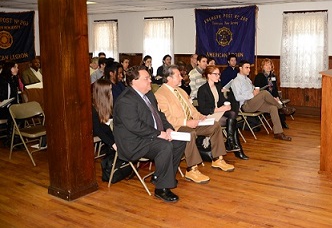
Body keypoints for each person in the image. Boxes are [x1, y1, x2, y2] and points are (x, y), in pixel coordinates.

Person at [113, 66, 186, 202]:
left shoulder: (149, 94)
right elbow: (135, 126)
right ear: (134, 82)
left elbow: (160, 115)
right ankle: (161, 189)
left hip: (149, 136)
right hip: (134, 142)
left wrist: (168, 128)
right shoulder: (126, 100)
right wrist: (159, 133)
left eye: (149, 77)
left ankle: (161, 176)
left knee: (179, 141)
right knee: (164, 146)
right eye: (146, 78)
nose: (150, 80)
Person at [155, 65, 235, 184]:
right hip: (177, 127)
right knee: (189, 133)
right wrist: (186, 122)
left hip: (191, 122)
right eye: (178, 75)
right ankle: (192, 169)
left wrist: (201, 117)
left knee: (215, 125)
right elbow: (166, 119)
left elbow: (192, 109)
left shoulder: (181, 91)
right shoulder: (160, 94)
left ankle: (217, 159)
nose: (181, 78)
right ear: (169, 78)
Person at [197, 65, 249, 160]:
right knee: (233, 123)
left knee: (232, 115)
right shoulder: (202, 89)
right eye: (215, 74)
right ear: (209, 75)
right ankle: (235, 148)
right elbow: (203, 109)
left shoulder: (218, 86)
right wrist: (219, 109)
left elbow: (220, 102)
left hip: (218, 112)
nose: (218, 76)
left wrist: (226, 104)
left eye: (218, 74)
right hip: (209, 115)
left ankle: (230, 141)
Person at [232, 60, 292, 141]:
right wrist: (253, 94)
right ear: (240, 68)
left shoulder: (247, 80)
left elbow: (255, 90)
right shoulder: (236, 81)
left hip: (254, 102)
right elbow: (237, 97)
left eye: (249, 67)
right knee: (264, 93)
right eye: (246, 68)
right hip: (245, 105)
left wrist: (255, 92)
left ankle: (278, 133)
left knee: (273, 108)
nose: (249, 69)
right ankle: (281, 108)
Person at [254, 58, 290, 129]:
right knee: (277, 104)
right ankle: (282, 112)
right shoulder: (259, 76)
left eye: (270, 65)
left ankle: (282, 121)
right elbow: (258, 90)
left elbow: (275, 89)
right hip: (264, 98)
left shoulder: (273, 76)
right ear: (263, 67)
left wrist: (276, 97)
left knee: (278, 101)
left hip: (273, 96)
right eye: (266, 65)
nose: (268, 67)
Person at [92, 79, 116, 155]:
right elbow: (98, 130)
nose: (111, 93)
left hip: (107, 131)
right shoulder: (93, 109)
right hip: (102, 132)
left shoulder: (107, 105)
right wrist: (112, 143)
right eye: (110, 91)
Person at [0, 61, 20, 145]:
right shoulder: (1, 80)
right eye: (14, 67)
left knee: (19, 112)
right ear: (9, 68)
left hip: (10, 106)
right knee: (13, 113)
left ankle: (15, 138)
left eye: (17, 67)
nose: (17, 69)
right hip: (2, 108)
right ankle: (10, 139)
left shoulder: (14, 79)